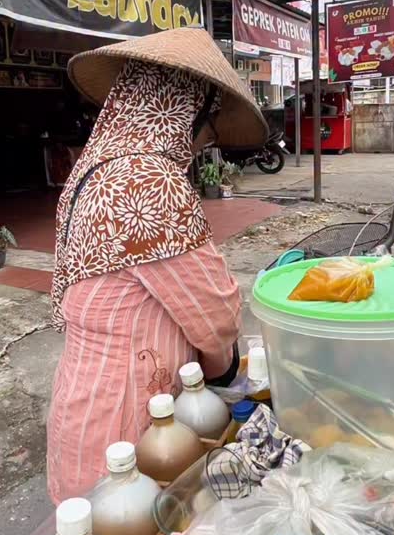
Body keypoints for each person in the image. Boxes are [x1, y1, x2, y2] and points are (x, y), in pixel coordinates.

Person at [48, 28, 268, 502]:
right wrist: (223, 371)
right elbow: (216, 318)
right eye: (206, 128)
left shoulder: (96, 167)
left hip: (84, 407)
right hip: (127, 424)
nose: (203, 145)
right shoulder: (149, 181)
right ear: (181, 115)